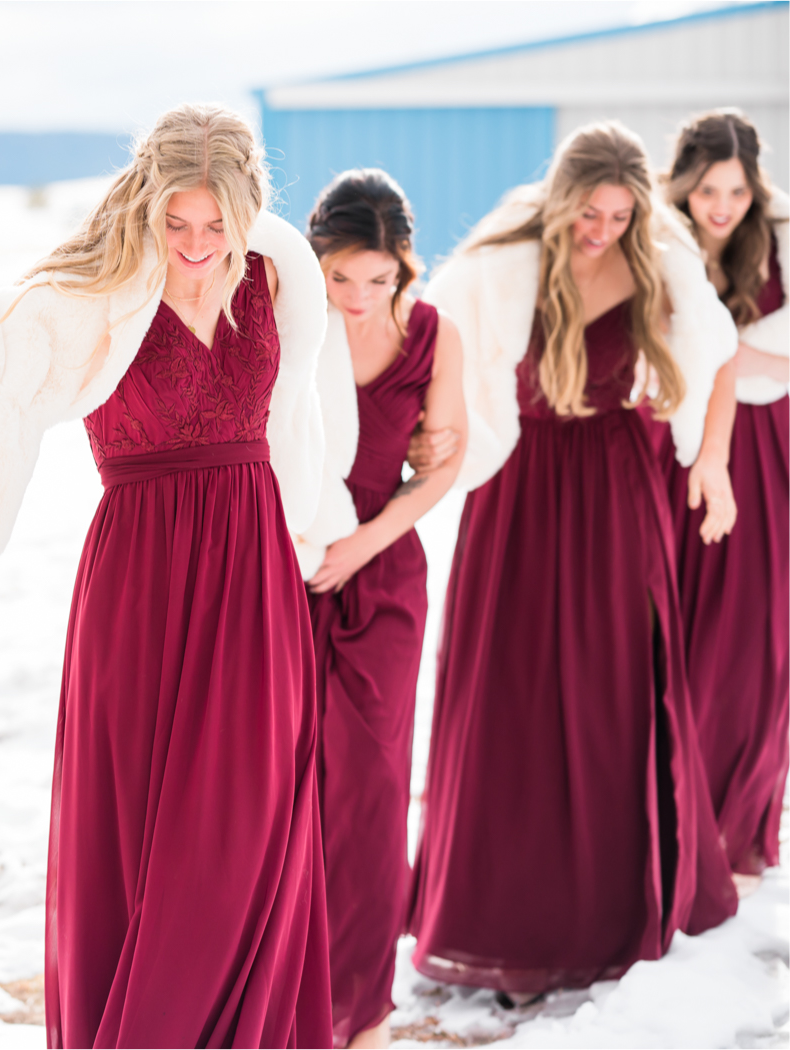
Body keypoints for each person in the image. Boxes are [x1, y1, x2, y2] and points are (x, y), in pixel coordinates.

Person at [0, 104, 334, 1048]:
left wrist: (321, 528)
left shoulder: (275, 276)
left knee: (247, 819)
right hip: (140, 573)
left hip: (255, 570)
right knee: (139, 825)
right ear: (146, 205)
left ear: (247, 210)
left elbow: (307, 410)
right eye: (176, 223)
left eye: (216, 225)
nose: (195, 245)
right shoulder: (88, 289)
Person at [406, 121, 740, 1008]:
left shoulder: (662, 265)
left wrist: (710, 463)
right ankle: (504, 910)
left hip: (621, 491)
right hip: (516, 496)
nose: (602, 229)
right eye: (589, 212)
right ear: (560, 200)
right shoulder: (498, 268)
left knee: (612, 692)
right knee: (508, 691)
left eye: (621, 214)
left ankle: (608, 909)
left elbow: (719, 355)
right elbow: (436, 357)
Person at [296, 170, 465, 1049]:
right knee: (283, 787)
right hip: (284, 574)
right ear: (314, 265)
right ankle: (280, 989)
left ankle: (362, 1006)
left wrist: (364, 543)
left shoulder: (433, 335)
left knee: (367, 788)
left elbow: (442, 466)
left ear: (405, 268)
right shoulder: (285, 331)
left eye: (380, 278)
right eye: (341, 279)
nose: (360, 299)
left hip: (380, 577)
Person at [657, 110, 788, 895]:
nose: (723, 205)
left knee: (757, 640)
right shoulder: (665, 244)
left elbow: (736, 357)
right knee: (689, 634)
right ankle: (679, 819)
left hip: (764, 444)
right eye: (709, 188)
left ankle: (736, 823)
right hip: (682, 443)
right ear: (685, 184)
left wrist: (736, 355)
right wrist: (739, 357)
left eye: (737, 190)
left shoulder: (767, 245)